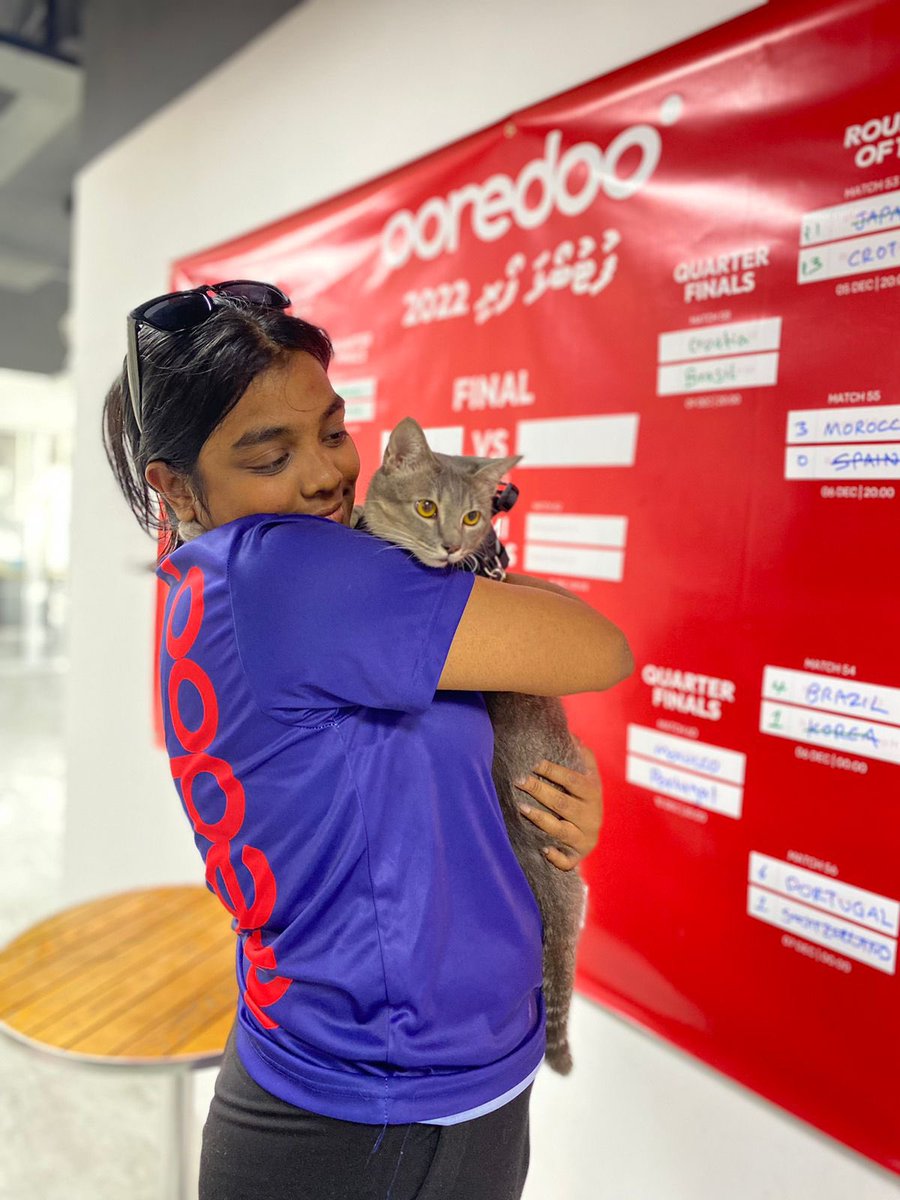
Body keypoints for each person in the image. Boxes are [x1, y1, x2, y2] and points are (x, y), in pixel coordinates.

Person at [102, 280, 633, 1200]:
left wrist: (534, 807)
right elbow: (596, 648)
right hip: (387, 1115)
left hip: (329, 1060)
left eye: (334, 431)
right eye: (270, 454)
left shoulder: (215, 576)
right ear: (172, 483)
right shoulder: (298, 572)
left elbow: (401, 771)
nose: (322, 475)